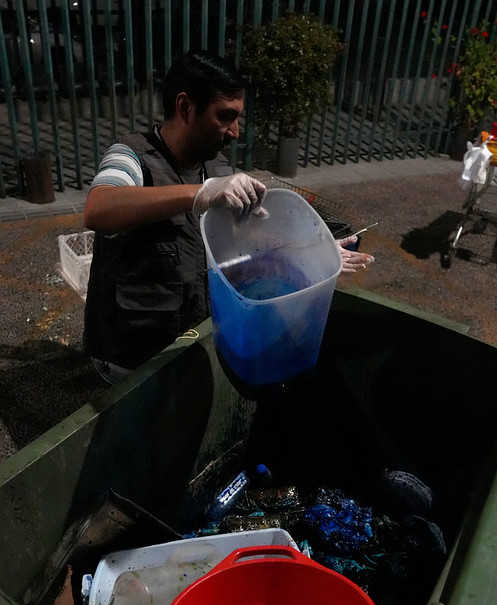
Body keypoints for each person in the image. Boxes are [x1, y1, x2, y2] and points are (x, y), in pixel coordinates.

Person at [83, 49, 373, 383]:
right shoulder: (132, 156)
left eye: (238, 118)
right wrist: (201, 193)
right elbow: (99, 209)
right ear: (185, 107)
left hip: (189, 342)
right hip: (132, 359)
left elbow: (244, 240)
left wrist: (309, 250)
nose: (235, 131)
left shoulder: (217, 166)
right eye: (225, 116)